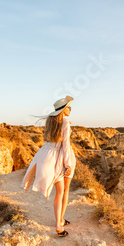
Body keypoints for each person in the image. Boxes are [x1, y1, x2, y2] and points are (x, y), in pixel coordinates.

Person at [21, 95, 76, 237]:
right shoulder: (65, 123)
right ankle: (59, 223)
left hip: (44, 154)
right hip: (57, 157)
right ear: (63, 110)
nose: (70, 109)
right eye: (68, 107)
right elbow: (65, 145)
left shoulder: (50, 122)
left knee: (58, 191)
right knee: (62, 191)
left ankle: (60, 221)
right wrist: (68, 164)